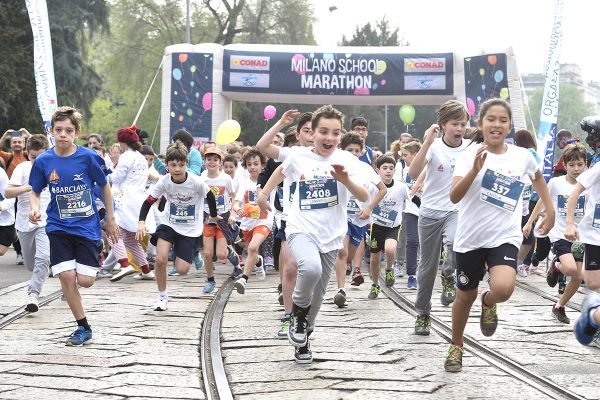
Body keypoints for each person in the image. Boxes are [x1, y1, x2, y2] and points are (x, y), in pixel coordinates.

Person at [444, 98, 554, 372]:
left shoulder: (521, 156)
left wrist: (549, 210)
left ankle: (489, 301)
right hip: (470, 238)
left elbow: (538, 178)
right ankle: (456, 345)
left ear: (509, 125)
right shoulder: (468, 155)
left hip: (504, 236)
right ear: (480, 123)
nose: (497, 125)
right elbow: (454, 196)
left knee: (504, 288)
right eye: (491, 119)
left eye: (503, 120)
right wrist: (475, 170)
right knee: (464, 297)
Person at [257, 104, 368, 364]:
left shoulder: (346, 160)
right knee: (310, 268)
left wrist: (346, 181)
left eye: (335, 133)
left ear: (341, 135)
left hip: (331, 236)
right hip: (300, 229)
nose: (329, 138)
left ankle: (304, 338)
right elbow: (273, 161)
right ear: (312, 133)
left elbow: (364, 195)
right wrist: (264, 193)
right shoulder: (299, 156)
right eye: (323, 132)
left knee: (317, 298)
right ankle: (296, 315)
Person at [29, 106, 119, 346]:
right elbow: (35, 191)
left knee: (86, 281)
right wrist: (34, 208)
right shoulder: (44, 161)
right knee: (67, 277)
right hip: (58, 227)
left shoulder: (88, 157)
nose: (63, 134)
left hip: (87, 228)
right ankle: (83, 327)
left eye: (68, 130)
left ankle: (95, 249)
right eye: (58, 130)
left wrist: (110, 219)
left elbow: (104, 186)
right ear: (51, 131)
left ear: (76, 133)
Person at [407, 100, 471, 335]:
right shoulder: (433, 147)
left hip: (457, 210)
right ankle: (423, 313)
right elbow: (413, 172)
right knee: (426, 268)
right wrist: (426, 142)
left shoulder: (470, 147)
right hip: (430, 213)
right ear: (443, 125)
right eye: (455, 124)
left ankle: (449, 273)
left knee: (453, 243)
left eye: (463, 124)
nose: (459, 129)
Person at [137, 141, 217, 311]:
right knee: (160, 259)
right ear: (167, 165)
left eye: (181, 165)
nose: (177, 169)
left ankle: (181, 250)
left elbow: (210, 196)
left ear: (186, 164)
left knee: (182, 270)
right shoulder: (164, 181)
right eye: (173, 165)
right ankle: (162, 296)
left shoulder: (196, 182)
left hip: (189, 229)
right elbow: (148, 201)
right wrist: (141, 221)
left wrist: (213, 215)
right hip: (169, 224)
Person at [525, 143, 587, 324]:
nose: (576, 169)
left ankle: (559, 306)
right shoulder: (556, 183)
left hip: (580, 237)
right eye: (572, 165)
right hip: (560, 234)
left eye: (580, 164)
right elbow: (541, 202)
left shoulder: (589, 185)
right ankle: (557, 266)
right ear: (565, 166)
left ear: (585, 164)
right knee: (570, 269)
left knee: (577, 277)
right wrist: (530, 221)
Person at [333, 132, 386, 307]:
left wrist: (369, 208)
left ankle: (347, 266)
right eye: (350, 150)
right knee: (342, 251)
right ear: (342, 150)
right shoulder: (336, 167)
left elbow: (383, 190)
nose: (353, 154)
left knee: (348, 255)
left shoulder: (366, 169)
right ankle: (341, 290)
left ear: (362, 151)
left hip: (360, 219)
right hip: (341, 216)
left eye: (357, 150)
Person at [5, 134, 51, 312]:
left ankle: (33, 295)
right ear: (27, 153)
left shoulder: (53, 168)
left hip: (46, 220)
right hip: (25, 222)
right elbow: (8, 192)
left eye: (41, 157)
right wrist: (27, 187)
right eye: (33, 157)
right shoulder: (22, 168)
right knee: (31, 265)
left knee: (43, 258)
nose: (37, 161)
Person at [104, 126, 156, 282]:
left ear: (123, 143)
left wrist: (106, 172)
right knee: (130, 239)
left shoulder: (126, 156)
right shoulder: (140, 157)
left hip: (124, 200)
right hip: (138, 200)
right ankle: (146, 270)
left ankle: (124, 264)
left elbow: (116, 178)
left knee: (111, 231)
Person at [564, 149, 600, 345]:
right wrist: (569, 223)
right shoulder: (598, 168)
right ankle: (593, 315)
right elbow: (575, 191)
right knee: (593, 283)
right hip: (595, 235)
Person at [367, 155, 410, 299]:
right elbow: (364, 202)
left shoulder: (400, 187)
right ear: (377, 170)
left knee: (390, 249)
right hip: (376, 227)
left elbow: (413, 198)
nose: (388, 171)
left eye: (391, 168)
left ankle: (389, 269)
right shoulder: (372, 186)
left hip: (393, 226)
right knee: (374, 259)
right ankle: (375, 284)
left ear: (394, 171)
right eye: (384, 168)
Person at [232, 148, 273, 294]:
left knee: (253, 247)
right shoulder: (244, 184)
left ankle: (243, 279)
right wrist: (237, 209)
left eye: (256, 164)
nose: (252, 167)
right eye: (249, 164)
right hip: (248, 223)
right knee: (252, 251)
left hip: (264, 221)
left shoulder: (269, 182)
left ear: (262, 165)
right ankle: (259, 261)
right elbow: (236, 202)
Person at [201, 147, 240, 294]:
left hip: (223, 218)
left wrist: (233, 213)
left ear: (220, 162)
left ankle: (235, 261)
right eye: (209, 159)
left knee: (222, 254)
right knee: (207, 253)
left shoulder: (226, 178)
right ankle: (210, 280)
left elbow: (234, 197)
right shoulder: (201, 178)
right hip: (207, 217)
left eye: (215, 160)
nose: (212, 162)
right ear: (205, 161)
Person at [513, 129, 541, 277]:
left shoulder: (529, 154)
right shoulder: (516, 154)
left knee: (528, 236)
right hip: (515, 205)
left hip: (529, 202)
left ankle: (518, 263)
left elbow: (538, 177)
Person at [0, 128, 30, 265]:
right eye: (14, 142)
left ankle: (26, 247)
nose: (17, 144)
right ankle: (19, 253)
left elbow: (41, 149)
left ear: (24, 144)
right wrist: (4, 136)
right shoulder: (8, 157)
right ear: (11, 144)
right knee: (16, 223)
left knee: (25, 222)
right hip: (11, 194)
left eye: (20, 142)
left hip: (27, 194)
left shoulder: (28, 156)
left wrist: (29, 136)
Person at [397, 141, 423, 289]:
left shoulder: (427, 167)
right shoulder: (403, 169)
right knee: (412, 241)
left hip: (428, 210)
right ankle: (411, 275)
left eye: (406, 155)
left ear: (416, 155)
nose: (403, 157)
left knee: (426, 245)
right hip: (411, 210)